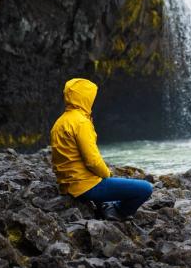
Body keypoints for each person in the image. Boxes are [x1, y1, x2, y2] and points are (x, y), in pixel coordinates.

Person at [50, 78, 153, 221]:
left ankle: (105, 205)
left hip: (68, 185)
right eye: (91, 96)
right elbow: (92, 161)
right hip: (86, 186)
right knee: (145, 189)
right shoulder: (81, 122)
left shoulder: (59, 122)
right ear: (85, 97)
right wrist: (107, 174)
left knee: (118, 185)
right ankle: (116, 211)